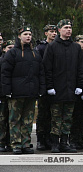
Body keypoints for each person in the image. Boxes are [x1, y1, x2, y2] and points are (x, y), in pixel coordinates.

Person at [43, 19, 83, 153]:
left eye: (70, 27)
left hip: (71, 89)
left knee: (68, 118)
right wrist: (49, 86)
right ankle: (55, 143)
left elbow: (80, 69)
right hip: (57, 89)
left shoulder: (76, 47)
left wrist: (79, 86)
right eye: (66, 27)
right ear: (60, 30)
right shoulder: (52, 47)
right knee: (56, 118)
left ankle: (64, 143)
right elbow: (47, 68)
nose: (69, 30)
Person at [2, 26, 45, 154]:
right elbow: (5, 73)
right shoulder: (12, 53)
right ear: (19, 36)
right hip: (16, 93)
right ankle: (16, 144)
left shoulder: (35, 53)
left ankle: (26, 143)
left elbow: (41, 72)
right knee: (14, 119)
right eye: (25, 34)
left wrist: (41, 89)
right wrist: (7, 90)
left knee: (28, 120)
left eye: (30, 34)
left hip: (31, 93)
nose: (28, 36)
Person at [35, 24, 57, 151]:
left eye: (55, 31)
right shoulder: (41, 48)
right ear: (46, 33)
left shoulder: (57, 46)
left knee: (52, 114)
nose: (53, 33)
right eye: (51, 31)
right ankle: (40, 139)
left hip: (55, 85)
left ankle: (48, 138)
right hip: (44, 85)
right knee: (42, 114)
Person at [69, 35, 83, 150]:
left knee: (82, 117)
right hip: (73, 89)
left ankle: (79, 139)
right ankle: (73, 140)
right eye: (81, 42)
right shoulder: (74, 54)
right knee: (74, 117)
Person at [0, 40, 14, 152]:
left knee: (12, 119)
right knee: (2, 119)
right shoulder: (1, 60)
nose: (11, 50)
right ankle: (2, 142)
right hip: (2, 94)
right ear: (4, 49)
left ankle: (10, 142)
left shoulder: (16, 60)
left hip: (12, 93)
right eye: (9, 47)